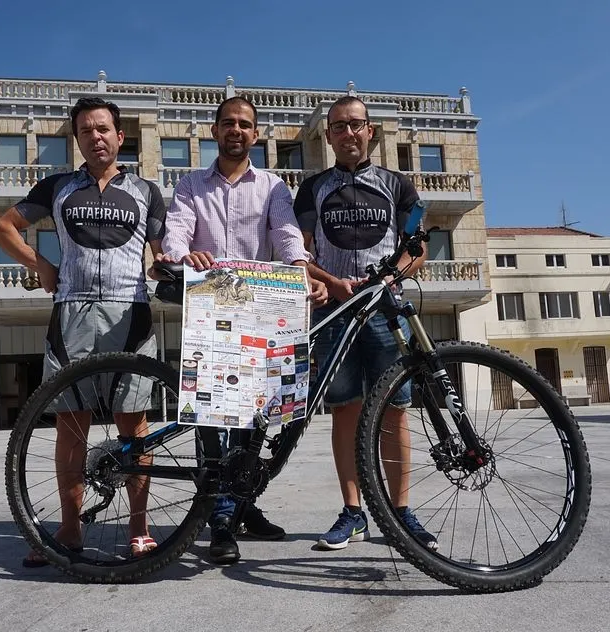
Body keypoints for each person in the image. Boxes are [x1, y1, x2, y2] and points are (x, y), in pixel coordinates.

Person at [0, 97, 166, 566]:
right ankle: (70, 530)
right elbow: (4, 227)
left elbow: (160, 254)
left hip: (131, 313)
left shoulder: (146, 191)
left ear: (120, 136)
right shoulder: (58, 187)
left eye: (103, 128)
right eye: (86, 130)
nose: (96, 137)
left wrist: (169, 265)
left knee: (134, 428)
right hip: (71, 314)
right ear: (77, 139)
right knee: (71, 428)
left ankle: (139, 529)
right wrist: (41, 265)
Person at [156, 96, 329, 564]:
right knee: (212, 417)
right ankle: (219, 519)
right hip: (209, 315)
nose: (236, 130)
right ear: (215, 131)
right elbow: (177, 231)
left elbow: (287, 236)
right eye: (228, 123)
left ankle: (242, 504)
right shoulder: (190, 185)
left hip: (260, 316)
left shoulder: (272, 186)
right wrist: (183, 254)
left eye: (245, 124)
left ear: (256, 134)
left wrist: (303, 272)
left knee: (257, 417)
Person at [294, 96, 439, 551]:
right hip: (334, 312)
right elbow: (299, 254)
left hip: (385, 311)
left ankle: (400, 513)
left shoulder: (397, 185)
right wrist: (329, 283)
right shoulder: (312, 188)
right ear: (328, 135)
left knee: (394, 411)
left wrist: (391, 278)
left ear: (370, 131)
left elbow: (417, 247)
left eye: (355, 125)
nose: (348, 133)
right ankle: (353, 512)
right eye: (338, 126)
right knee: (346, 411)